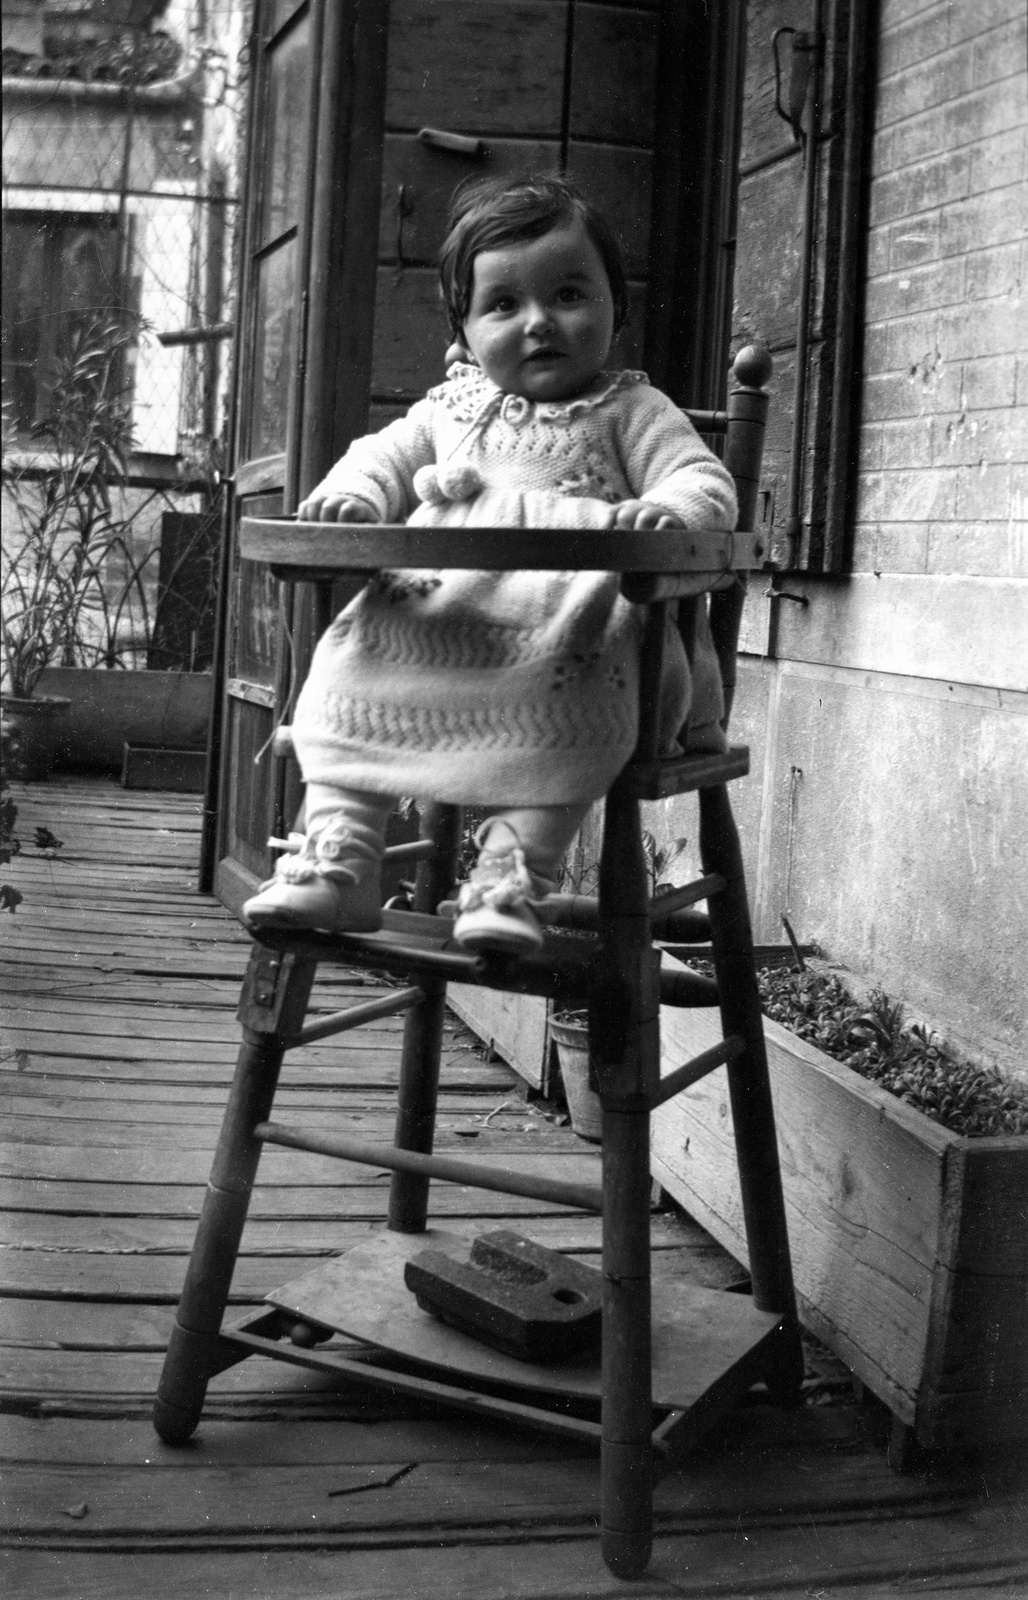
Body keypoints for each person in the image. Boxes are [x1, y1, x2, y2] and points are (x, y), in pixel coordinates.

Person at [242, 175, 738, 953]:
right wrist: (354, 499)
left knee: (570, 692)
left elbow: (705, 480)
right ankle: (339, 860)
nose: (539, 322)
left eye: (569, 294)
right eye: (503, 305)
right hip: (442, 625)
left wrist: (670, 515)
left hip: (576, 631)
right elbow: (379, 459)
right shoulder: (447, 412)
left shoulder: (634, 412)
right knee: (346, 671)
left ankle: (511, 876)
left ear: (617, 308)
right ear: (465, 333)